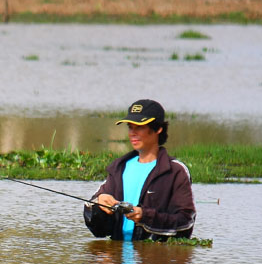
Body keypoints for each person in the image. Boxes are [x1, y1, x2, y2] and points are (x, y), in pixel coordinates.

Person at [83, 99, 196, 241]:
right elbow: (95, 225)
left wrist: (145, 216)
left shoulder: (176, 171)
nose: (132, 133)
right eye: (130, 127)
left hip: (154, 259)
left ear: (158, 128)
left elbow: (186, 222)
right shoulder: (119, 168)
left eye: (139, 127)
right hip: (117, 257)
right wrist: (97, 204)